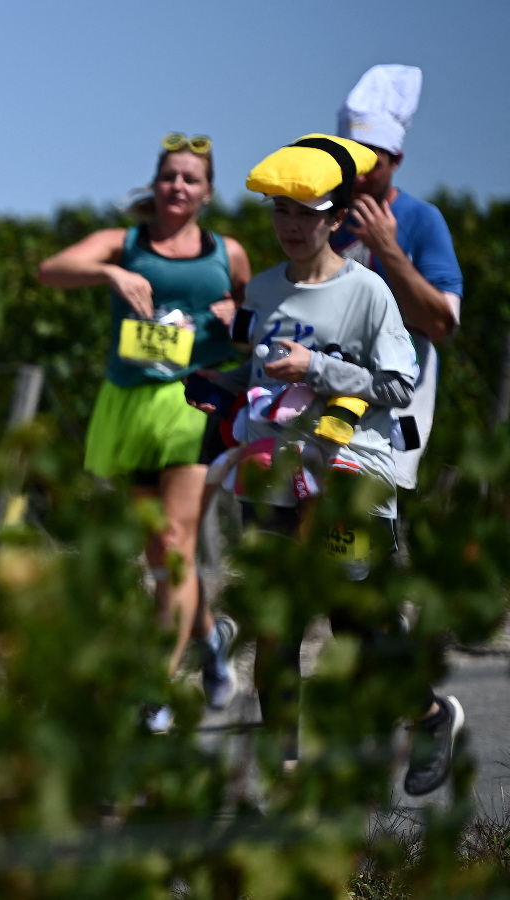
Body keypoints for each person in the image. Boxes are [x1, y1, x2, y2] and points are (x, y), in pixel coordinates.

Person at [214, 133, 463, 794]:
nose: (291, 225)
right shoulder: (262, 290)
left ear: (337, 218)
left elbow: (399, 383)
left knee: (357, 624)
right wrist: (212, 382)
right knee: (276, 627)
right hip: (273, 474)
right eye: (281, 210)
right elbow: (256, 374)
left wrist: (317, 368)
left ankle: (430, 716)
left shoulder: (368, 292)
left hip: (351, 474)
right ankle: (286, 777)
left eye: (308, 212)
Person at [36, 135, 252, 724]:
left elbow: (262, 321)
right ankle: (211, 637)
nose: (178, 186)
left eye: (190, 178)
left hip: (197, 401)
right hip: (131, 405)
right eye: (169, 176)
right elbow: (51, 270)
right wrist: (110, 274)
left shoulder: (226, 253)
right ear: (155, 184)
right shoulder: (126, 242)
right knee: (160, 551)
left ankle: (156, 690)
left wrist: (237, 317)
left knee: (177, 542)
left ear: (208, 192)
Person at [332, 65, 463, 493]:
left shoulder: (422, 220)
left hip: (394, 405)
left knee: (367, 515)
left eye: (372, 160)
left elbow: (440, 324)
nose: (360, 173)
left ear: (396, 161)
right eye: (351, 158)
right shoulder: (319, 218)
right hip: (325, 396)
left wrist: (388, 250)